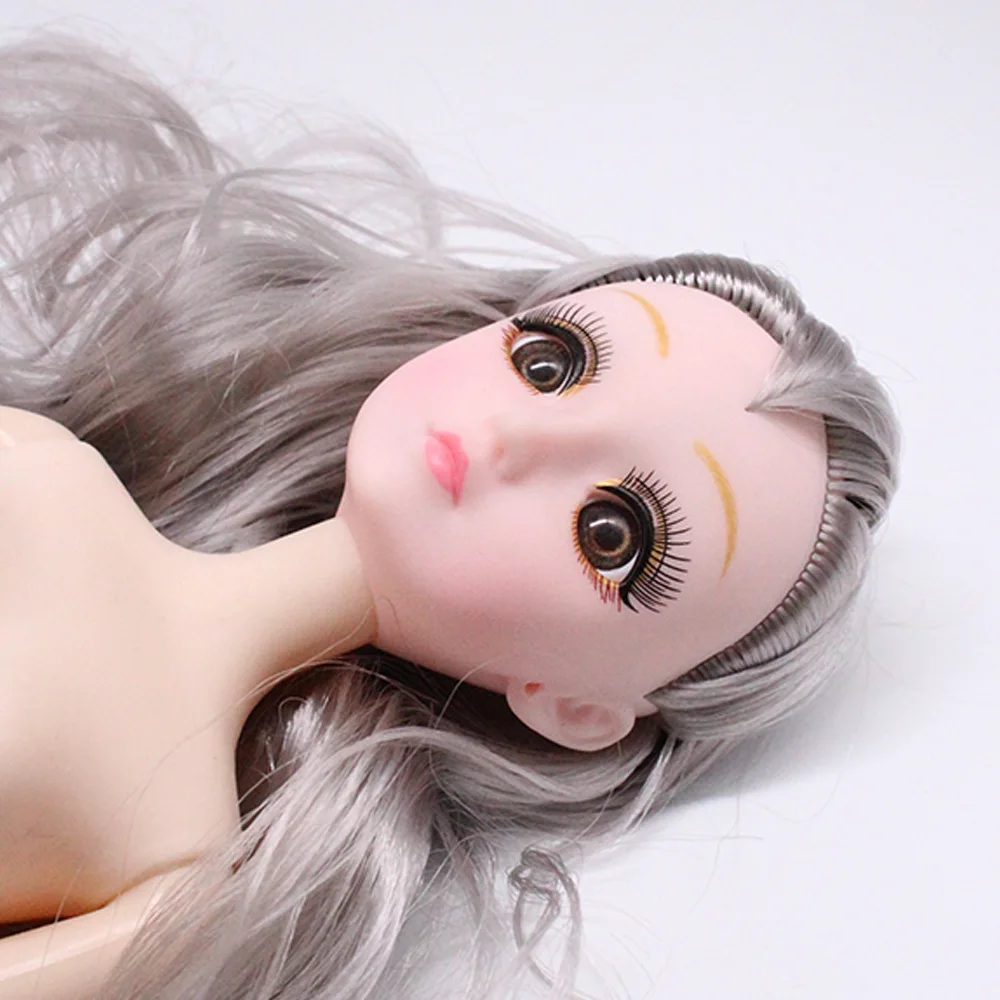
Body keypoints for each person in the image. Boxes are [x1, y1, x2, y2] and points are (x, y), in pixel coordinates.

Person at [0, 37, 899, 1000]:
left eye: (612, 532)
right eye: (552, 363)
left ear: (573, 708)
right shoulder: (40, 470)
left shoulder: (181, 873)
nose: (520, 438)